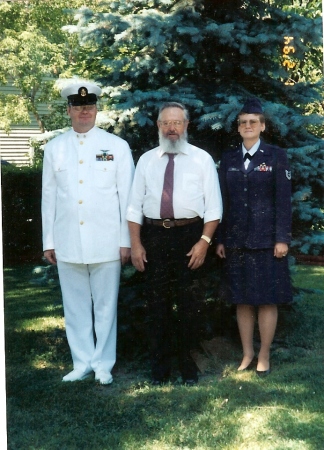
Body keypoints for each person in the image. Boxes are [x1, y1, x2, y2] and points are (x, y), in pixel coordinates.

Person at [42, 81, 134, 384]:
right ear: (69, 110)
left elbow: (127, 199)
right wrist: (49, 241)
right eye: (79, 107)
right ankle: (81, 362)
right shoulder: (55, 149)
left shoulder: (116, 147)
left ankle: (103, 364)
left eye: (90, 107)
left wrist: (126, 242)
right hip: (68, 240)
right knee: (76, 306)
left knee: (107, 305)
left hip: (107, 241)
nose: (85, 112)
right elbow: (49, 197)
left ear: (96, 109)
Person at [126, 101, 223, 385]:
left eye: (177, 122)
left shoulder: (201, 159)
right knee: (157, 306)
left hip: (190, 236)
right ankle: (160, 370)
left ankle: (189, 368)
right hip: (154, 237)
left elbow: (214, 208)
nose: (171, 128)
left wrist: (204, 242)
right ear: (158, 126)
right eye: (166, 123)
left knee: (189, 304)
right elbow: (134, 208)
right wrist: (136, 244)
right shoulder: (146, 160)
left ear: (186, 126)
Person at [216, 97, 292, 376]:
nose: (247, 126)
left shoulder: (275, 156)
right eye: (242, 123)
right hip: (236, 241)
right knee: (242, 299)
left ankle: (264, 354)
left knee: (267, 298)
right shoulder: (229, 159)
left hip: (267, 241)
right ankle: (247, 353)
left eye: (253, 122)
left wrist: (282, 238)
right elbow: (223, 201)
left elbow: (284, 201)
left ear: (262, 126)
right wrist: (222, 238)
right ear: (238, 128)